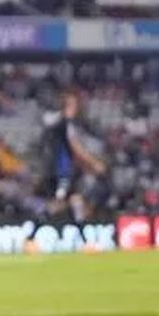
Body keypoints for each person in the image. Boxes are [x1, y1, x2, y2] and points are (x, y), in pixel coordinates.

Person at [43, 91, 106, 223]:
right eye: (73, 105)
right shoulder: (63, 123)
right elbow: (75, 146)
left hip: (65, 169)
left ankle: (84, 241)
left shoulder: (63, 123)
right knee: (57, 204)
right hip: (60, 171)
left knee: (76, 200)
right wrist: (94, 163)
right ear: (66, 106)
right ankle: (30, 237)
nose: (76, 108)